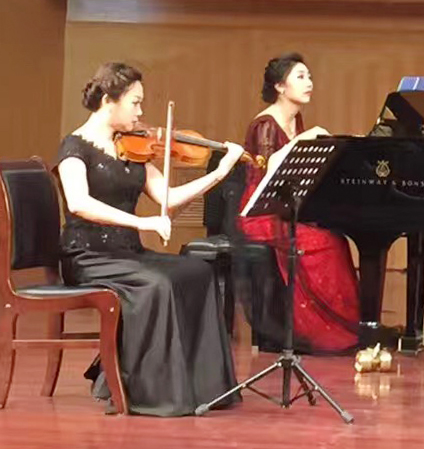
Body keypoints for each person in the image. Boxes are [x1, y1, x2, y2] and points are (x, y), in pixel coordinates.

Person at [54, 62, 244, 416]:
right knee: (158, 284)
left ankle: (201, 388)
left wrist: (220, 172)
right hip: (89, 257)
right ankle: (149, 392)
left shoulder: (130, 146)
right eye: (135, 102)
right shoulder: (74, 147)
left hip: (127, 253)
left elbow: (168, 198)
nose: (141, 112)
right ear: (109, 101)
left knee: (197, 272)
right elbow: (79, 203)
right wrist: (141, 222)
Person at [236, 53, 361, 353]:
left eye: (309, 76)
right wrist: (307, 139)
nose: (309, 83)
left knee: (335, 238)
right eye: (301, 77)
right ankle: (317, 333)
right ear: (280, 86)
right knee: (325, 243)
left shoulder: (296, 121)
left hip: (284, 208)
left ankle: (345, 328)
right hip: (261, 212)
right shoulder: (265, 124)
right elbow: (269, 167)